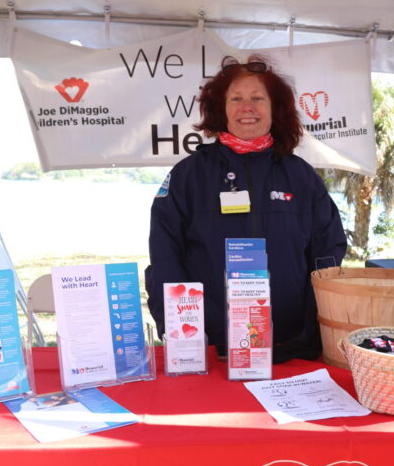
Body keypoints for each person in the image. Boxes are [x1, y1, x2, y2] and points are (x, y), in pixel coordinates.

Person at [146, 56, 347, 361]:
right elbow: (165, 258)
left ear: (274, 108)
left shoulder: (301, 177)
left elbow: (327, 256)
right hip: (210, 349)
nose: (247, 107)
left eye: (257, 98)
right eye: (236, 98)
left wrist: (313, 329)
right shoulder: (188, 176)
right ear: (221, 109)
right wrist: (183, 334)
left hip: (290, 348)